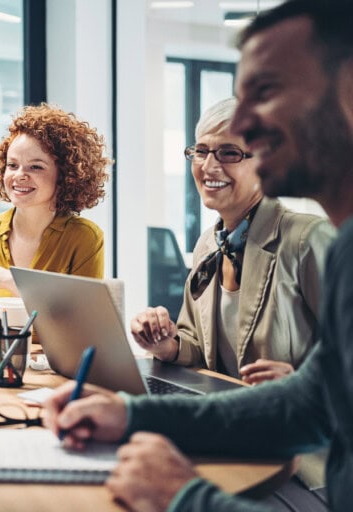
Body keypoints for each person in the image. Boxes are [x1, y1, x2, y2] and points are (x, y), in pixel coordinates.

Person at [43, 1, 353, 511]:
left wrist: (184, 498)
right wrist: (130, 416)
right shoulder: (347, 254)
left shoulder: (318, 242)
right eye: (202, 149)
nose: (246, 124)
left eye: (267, 91)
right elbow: (306, 406)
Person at [131, 97, 334, 384]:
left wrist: (302, 382)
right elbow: (201, 348)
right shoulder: (208, 245)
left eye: (229, 153)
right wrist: (166, 345)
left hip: (295, 421)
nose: (208, 166)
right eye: (201, 151)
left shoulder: (308, 239)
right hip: (228, 417)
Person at [0, 104, 112, 346]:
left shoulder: (85, 238)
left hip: (54, 372)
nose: (19, 175)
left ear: (65, 175)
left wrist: (9, 280)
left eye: (36, 167)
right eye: (12, 165)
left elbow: (83, 325)